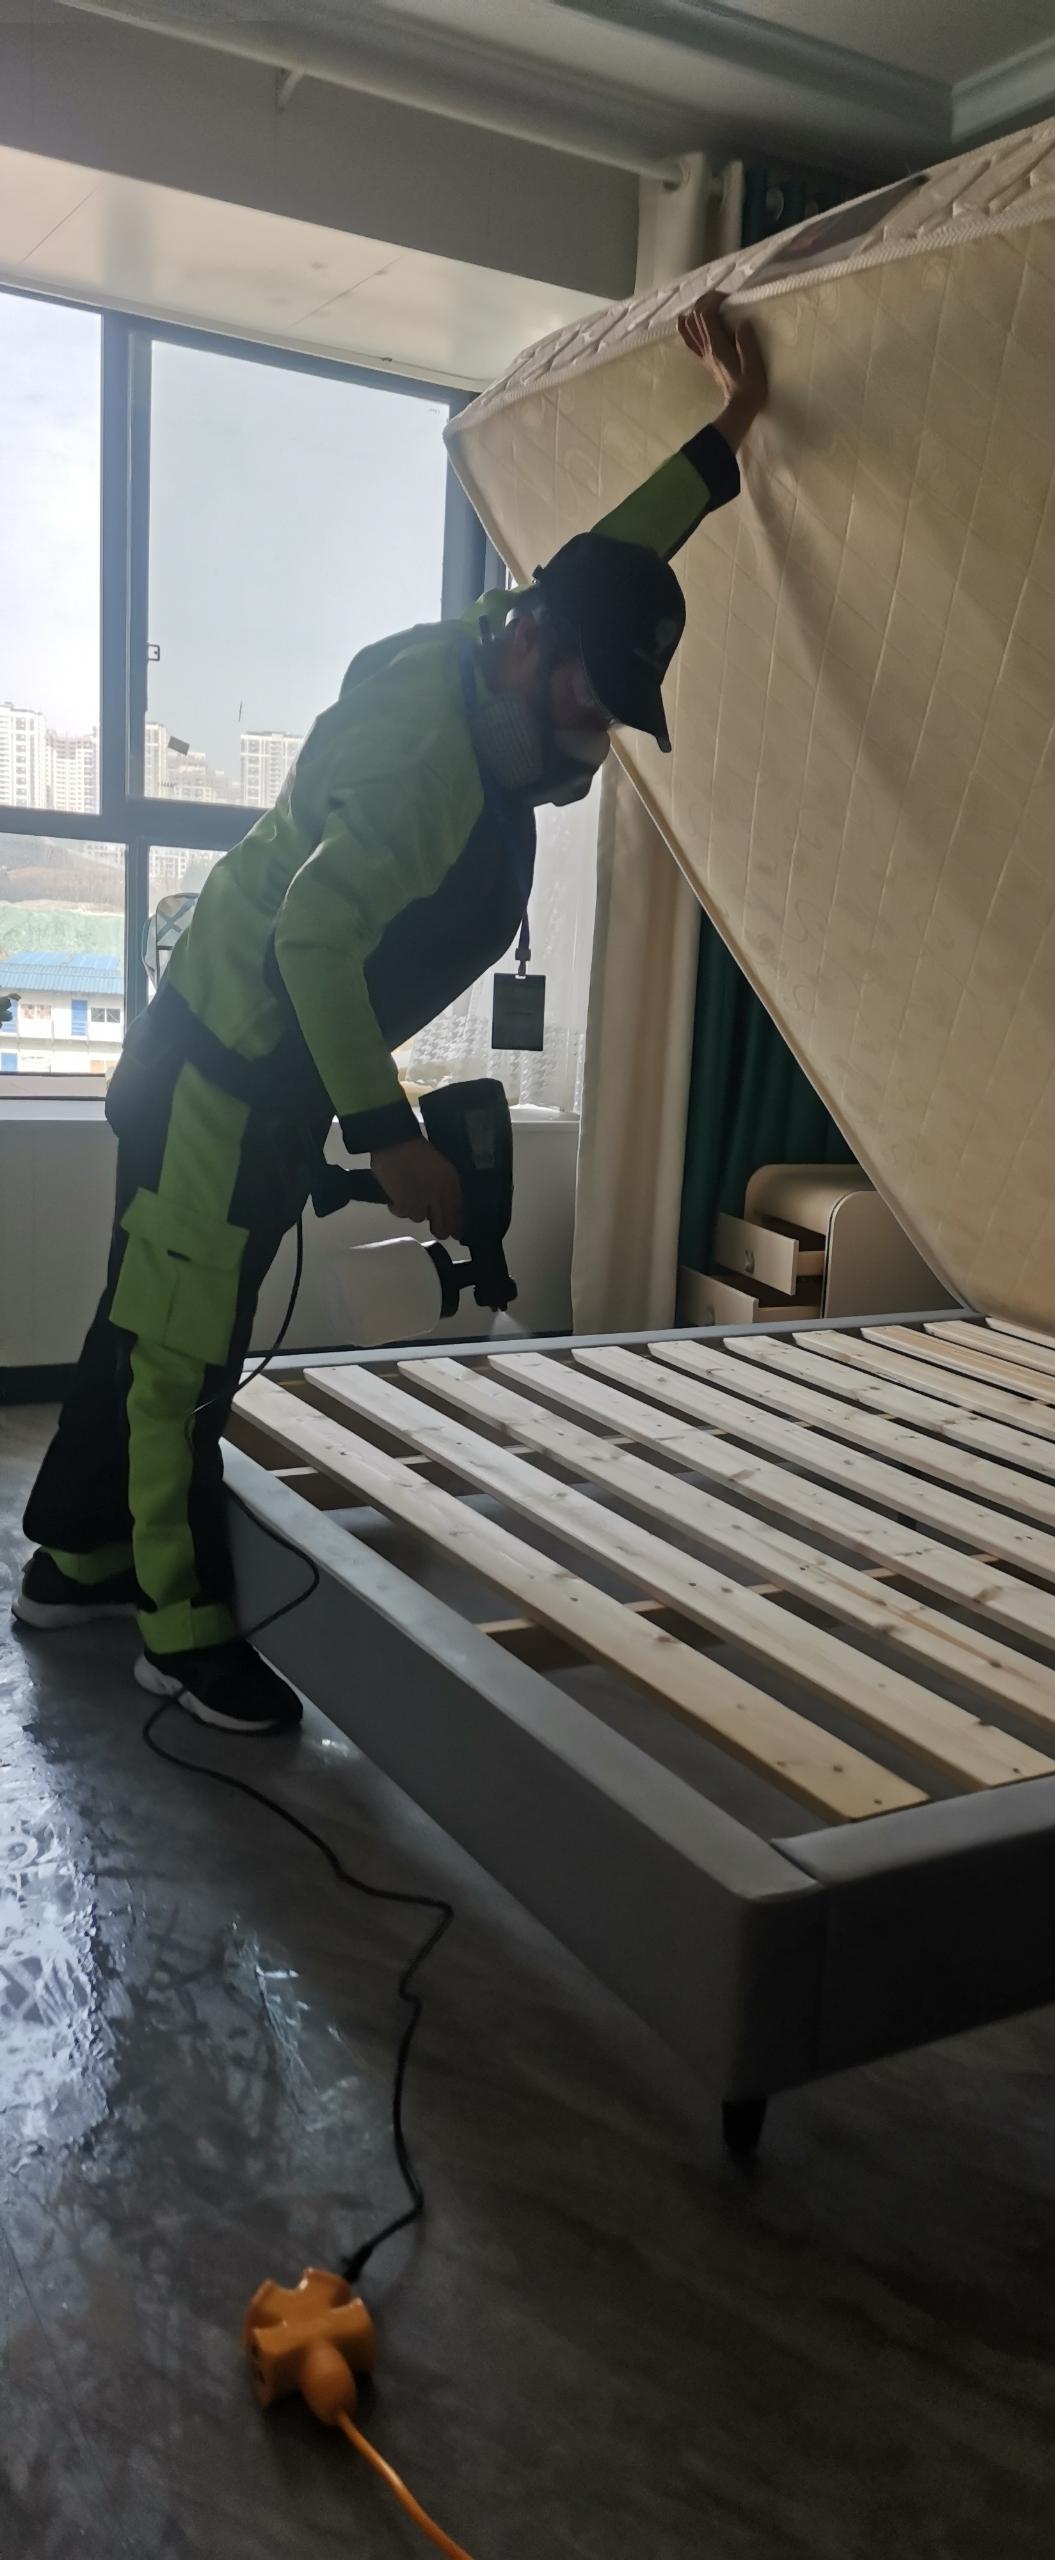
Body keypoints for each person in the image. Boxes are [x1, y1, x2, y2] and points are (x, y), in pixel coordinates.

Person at [15, 293, 767, 1734]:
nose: (592, 745)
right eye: (589, 713)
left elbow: (616, 555)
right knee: (181, 1350)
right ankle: (180, 1630)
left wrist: (727, 428)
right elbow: (311, 940)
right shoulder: (424, 763)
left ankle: (76, 1560)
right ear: (529, 653)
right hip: (220, 1069)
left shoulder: (509, 634)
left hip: (245, 1060)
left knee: (151, 1313)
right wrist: (388, 1132)